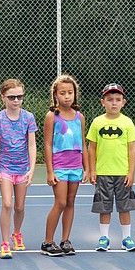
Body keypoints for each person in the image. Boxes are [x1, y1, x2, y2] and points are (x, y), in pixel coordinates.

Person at [0, 78, 37, 259]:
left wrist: (32, 169)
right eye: (11, 97)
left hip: (22, 169)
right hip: (5, 169)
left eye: (19, 97)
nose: (16, 100)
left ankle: (17, 232)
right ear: (3, 97)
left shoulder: (28, 117)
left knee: (19, 206)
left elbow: (32, 145)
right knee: (7, 204)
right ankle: (5, 242)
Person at [86, 83, 135, 252]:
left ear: (124, 102)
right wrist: (92, 169)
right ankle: (104, 238)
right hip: (103, 173)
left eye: (117, 99)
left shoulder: (127, 122)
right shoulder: (97, 122)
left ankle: (126, 238)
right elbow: (91, 147)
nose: (113, 103)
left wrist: (131, 172)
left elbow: (132, 148)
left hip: (122, 173)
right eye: (109, 100)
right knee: (104, 207)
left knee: (125, 207)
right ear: (103, 102)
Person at [43, 75, 87, 257]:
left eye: (70, 93)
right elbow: (47, 144)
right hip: (59, 166)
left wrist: (87, 168)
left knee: (70, 203)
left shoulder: (80, 117)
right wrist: (50, 171)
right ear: (55, 95)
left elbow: (83, 143)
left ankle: (65, 240)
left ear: (75, 94)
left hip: (76, 165)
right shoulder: (52, 116)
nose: (67, 96)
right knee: (60, 202)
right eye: (63, 93)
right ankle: (47, 242)